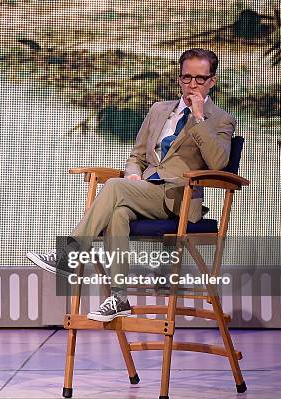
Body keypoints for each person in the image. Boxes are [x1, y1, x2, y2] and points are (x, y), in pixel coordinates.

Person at [27, 48, 234, 322]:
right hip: (145, 191)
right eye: (186, 78)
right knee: (118, 213)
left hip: (178, 199)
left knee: (114, 186)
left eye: (199, 79)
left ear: (212, 81)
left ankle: (69, 254)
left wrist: (198, 119)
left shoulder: (220, 119)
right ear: (178, 78)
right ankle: (119, 298)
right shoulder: (159, 110)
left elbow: (219, 163)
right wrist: (133, 174)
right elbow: (136, 156)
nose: (192, 85)